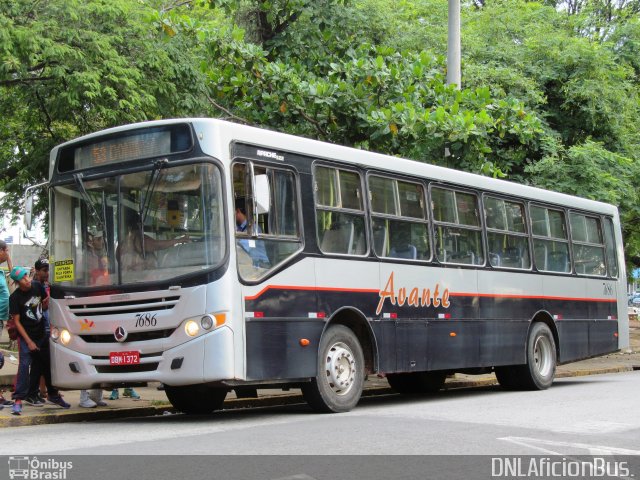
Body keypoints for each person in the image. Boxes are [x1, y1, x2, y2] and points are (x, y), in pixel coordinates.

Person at [9, 266, 70, 415]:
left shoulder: (36, 286)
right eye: (23, 278)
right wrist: (29, 341)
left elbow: (44, 302)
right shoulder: (15, 298)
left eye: (27, 276)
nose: (27, 280)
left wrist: (46, 303)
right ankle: (18, 400)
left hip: (41, 333)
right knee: (24, 365)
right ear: (17, 282)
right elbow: (17, 322)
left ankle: (53, 395)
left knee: (46, 364)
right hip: (26, 337)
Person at [118, 210, 190, 271]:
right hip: (142, 280)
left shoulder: (121, 245)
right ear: (139, 224)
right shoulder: (138, 239)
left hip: (129, 280)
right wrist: (179, 240)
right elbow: (158, 245)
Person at [235, 198, 269, 267]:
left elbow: (242, 247)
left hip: (261, 265)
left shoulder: (253, 228)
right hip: (251, 264)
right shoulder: (240, 228)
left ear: (238, 211)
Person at [0, 241, 14, 407]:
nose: (8, 254)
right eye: (6, 251)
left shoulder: (2, 272)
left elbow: (16, 276)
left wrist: (9, 261)